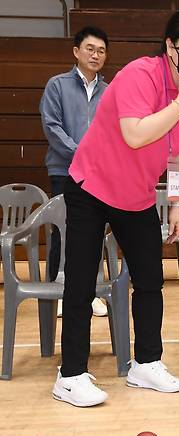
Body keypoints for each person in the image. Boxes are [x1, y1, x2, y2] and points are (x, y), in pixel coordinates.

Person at [52, 8, 179, 407]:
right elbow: (135, 133)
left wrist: (176, 202)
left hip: (136, 194)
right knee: (80, 280)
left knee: (149, 279)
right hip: (92, 184)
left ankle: (146, 363)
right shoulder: (139, 75)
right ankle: (70, 374)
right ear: (170, 48)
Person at [40, 26, 110, 317]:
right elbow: (52, 127)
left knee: (93, 233)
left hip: (99, 175)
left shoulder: (110, 92)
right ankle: (59, 291)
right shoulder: (57, 85)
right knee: (62, 231)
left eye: (102, 51)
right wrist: (82, 155)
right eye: (90, 49)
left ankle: (90, 292)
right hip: (65, 172)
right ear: (76, 51)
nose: (96, 55)